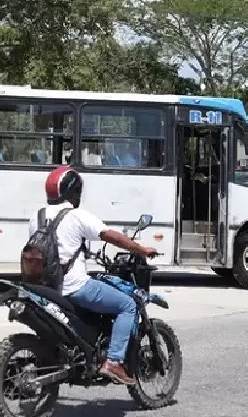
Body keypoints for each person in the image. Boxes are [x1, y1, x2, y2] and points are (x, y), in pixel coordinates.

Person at [28, 165, 157, 386]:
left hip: (46, 289)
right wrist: (141, 249)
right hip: (74, 287)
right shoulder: (76, 215)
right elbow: (111, 236)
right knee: (128, 305)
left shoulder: (36, 217)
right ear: (73, 192)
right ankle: (114, 361)